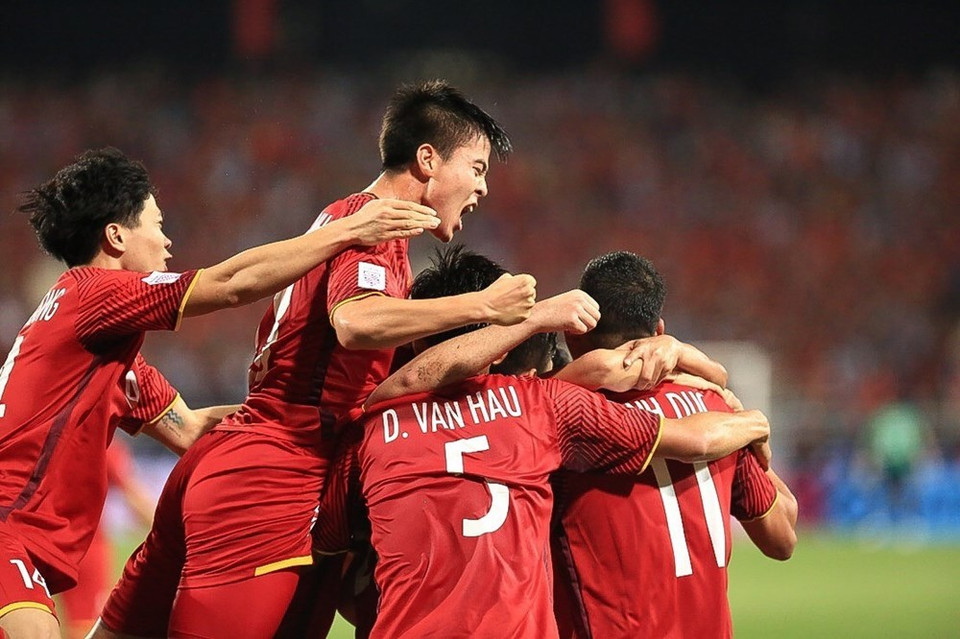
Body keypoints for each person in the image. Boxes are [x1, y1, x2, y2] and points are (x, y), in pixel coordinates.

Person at [92, 81, 537, 639]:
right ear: (428, 160)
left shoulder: (348, 223)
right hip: (273, 475)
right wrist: (484, 305)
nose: (483, 187)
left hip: (239, 460)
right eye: (476, 167)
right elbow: (356, 322)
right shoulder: (374, 224)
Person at [0, 147, 437, 639]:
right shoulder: (91, 291)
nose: (167, 241)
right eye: (156, 223)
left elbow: (189, 428)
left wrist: (297, 408)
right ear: (116, 236)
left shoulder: (105, 355)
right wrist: (348, 231)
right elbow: (229, 284)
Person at [312, 246, 773, 639]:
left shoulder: (371, 424)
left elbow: (329, 556)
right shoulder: (539, 405)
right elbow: (679, 429)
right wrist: (743, 412)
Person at [553, 251, 798, 639]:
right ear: (659, 331)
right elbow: (782, 537)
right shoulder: (715, 407)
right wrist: (751, 430)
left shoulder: (568, 419)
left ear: (573, 333)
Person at [59, 440, 155, 639]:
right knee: (85, 627)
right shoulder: (102, 444)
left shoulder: (48, 434)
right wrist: (172, 529)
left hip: (35, 541)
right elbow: (133, 497)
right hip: (85, 548)